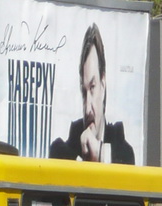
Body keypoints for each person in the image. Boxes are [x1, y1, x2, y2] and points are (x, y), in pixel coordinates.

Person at [48, 23, 135, 165]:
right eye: (84, 92)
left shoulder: (120, 146)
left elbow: (126, 160)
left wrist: (100, 153)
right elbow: (55, 152)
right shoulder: (69, 146)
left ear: (103, 83)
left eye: (92, 87)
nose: (88, 109)